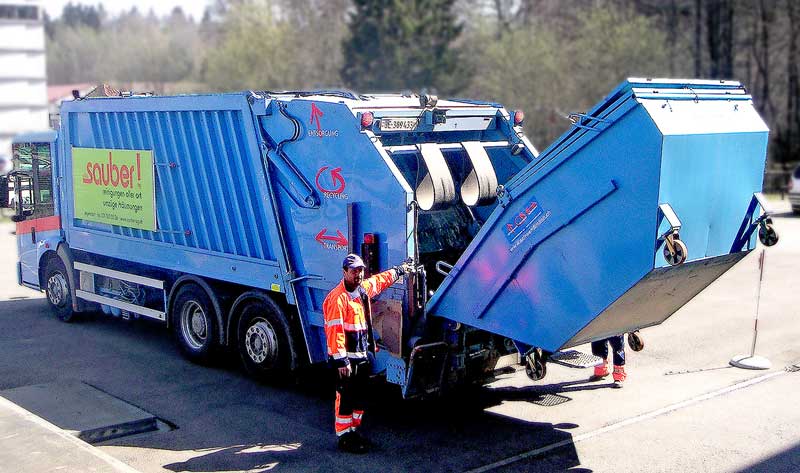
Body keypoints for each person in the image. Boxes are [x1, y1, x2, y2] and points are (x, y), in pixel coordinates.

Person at [323, 253, 412, 453]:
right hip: (346, 361)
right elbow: (334, 332)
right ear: (344, 272)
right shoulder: (338, 299)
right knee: (346, 398)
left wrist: (399, 271)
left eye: (360, 270)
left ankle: (354, 431)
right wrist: (341, 361)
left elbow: (379, 281)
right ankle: (344, 436)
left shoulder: (362, 290)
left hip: (361, 357)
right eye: (354, 271)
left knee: (359, 397)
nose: (358, 274)